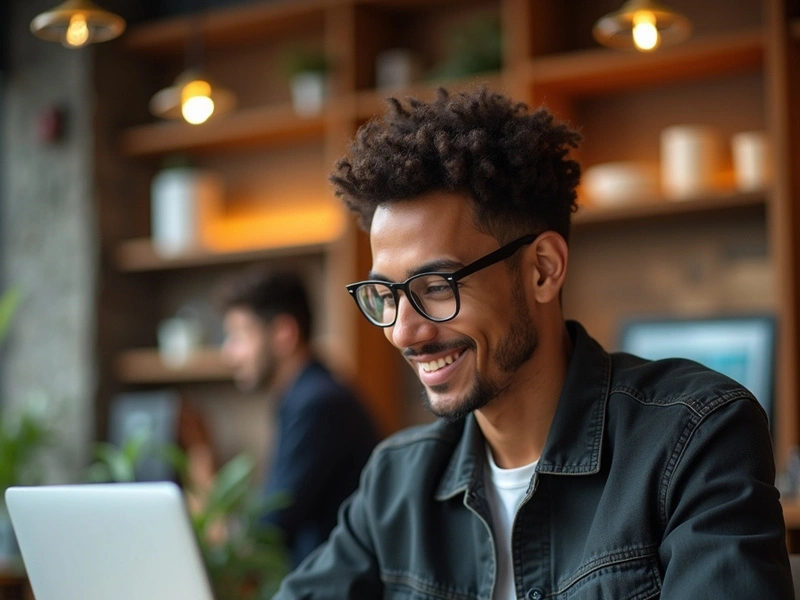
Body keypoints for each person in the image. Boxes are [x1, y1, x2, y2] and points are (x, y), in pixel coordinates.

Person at [273, 86, 793, 598]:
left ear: (543, 269)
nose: (403, 331)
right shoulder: (398, 479)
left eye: (437, 287)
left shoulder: (694, 437)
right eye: (386, 295)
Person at [219, 267, 380, 567]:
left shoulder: (318, 404)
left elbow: (271, 527)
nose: (229, 353)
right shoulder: (308, 395)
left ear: (284, 333)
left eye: (239, 336)